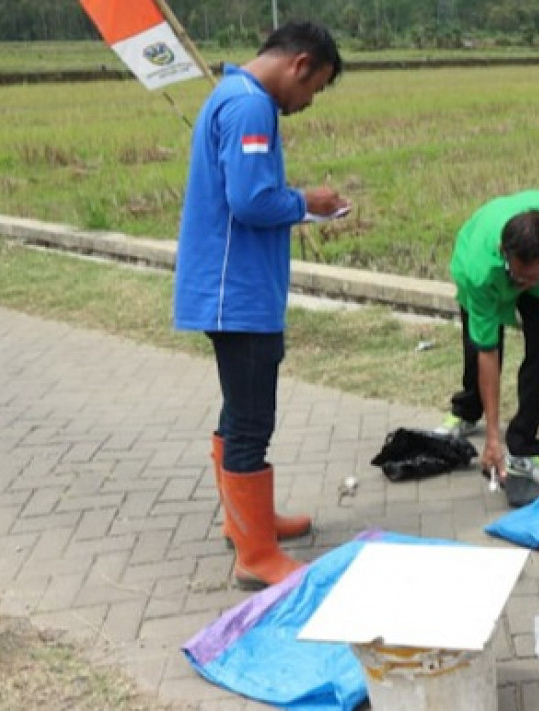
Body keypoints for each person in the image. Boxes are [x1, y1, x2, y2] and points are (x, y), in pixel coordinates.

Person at [173, 22, 346, 590]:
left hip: (232, 289)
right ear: (299, 65)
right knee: (252, 421)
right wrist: (307, 201)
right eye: (315, 88)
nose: (309, 102)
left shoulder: (232, 96)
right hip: (238, 293)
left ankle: (246, 521)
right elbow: (249, 202)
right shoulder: (252, 108)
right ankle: (254, 555)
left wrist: (293, 202)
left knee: (237, 413)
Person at [436, 181, 539, 486]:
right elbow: (488, 352)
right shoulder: (480, 271)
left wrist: (535, 277)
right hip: (479, 261)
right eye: (521, 277)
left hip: (535, 263)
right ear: (506, 254)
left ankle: (523, 445)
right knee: (479, 344)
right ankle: (468, 409)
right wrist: (492, 437)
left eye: (535, 276)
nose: (525, 285)